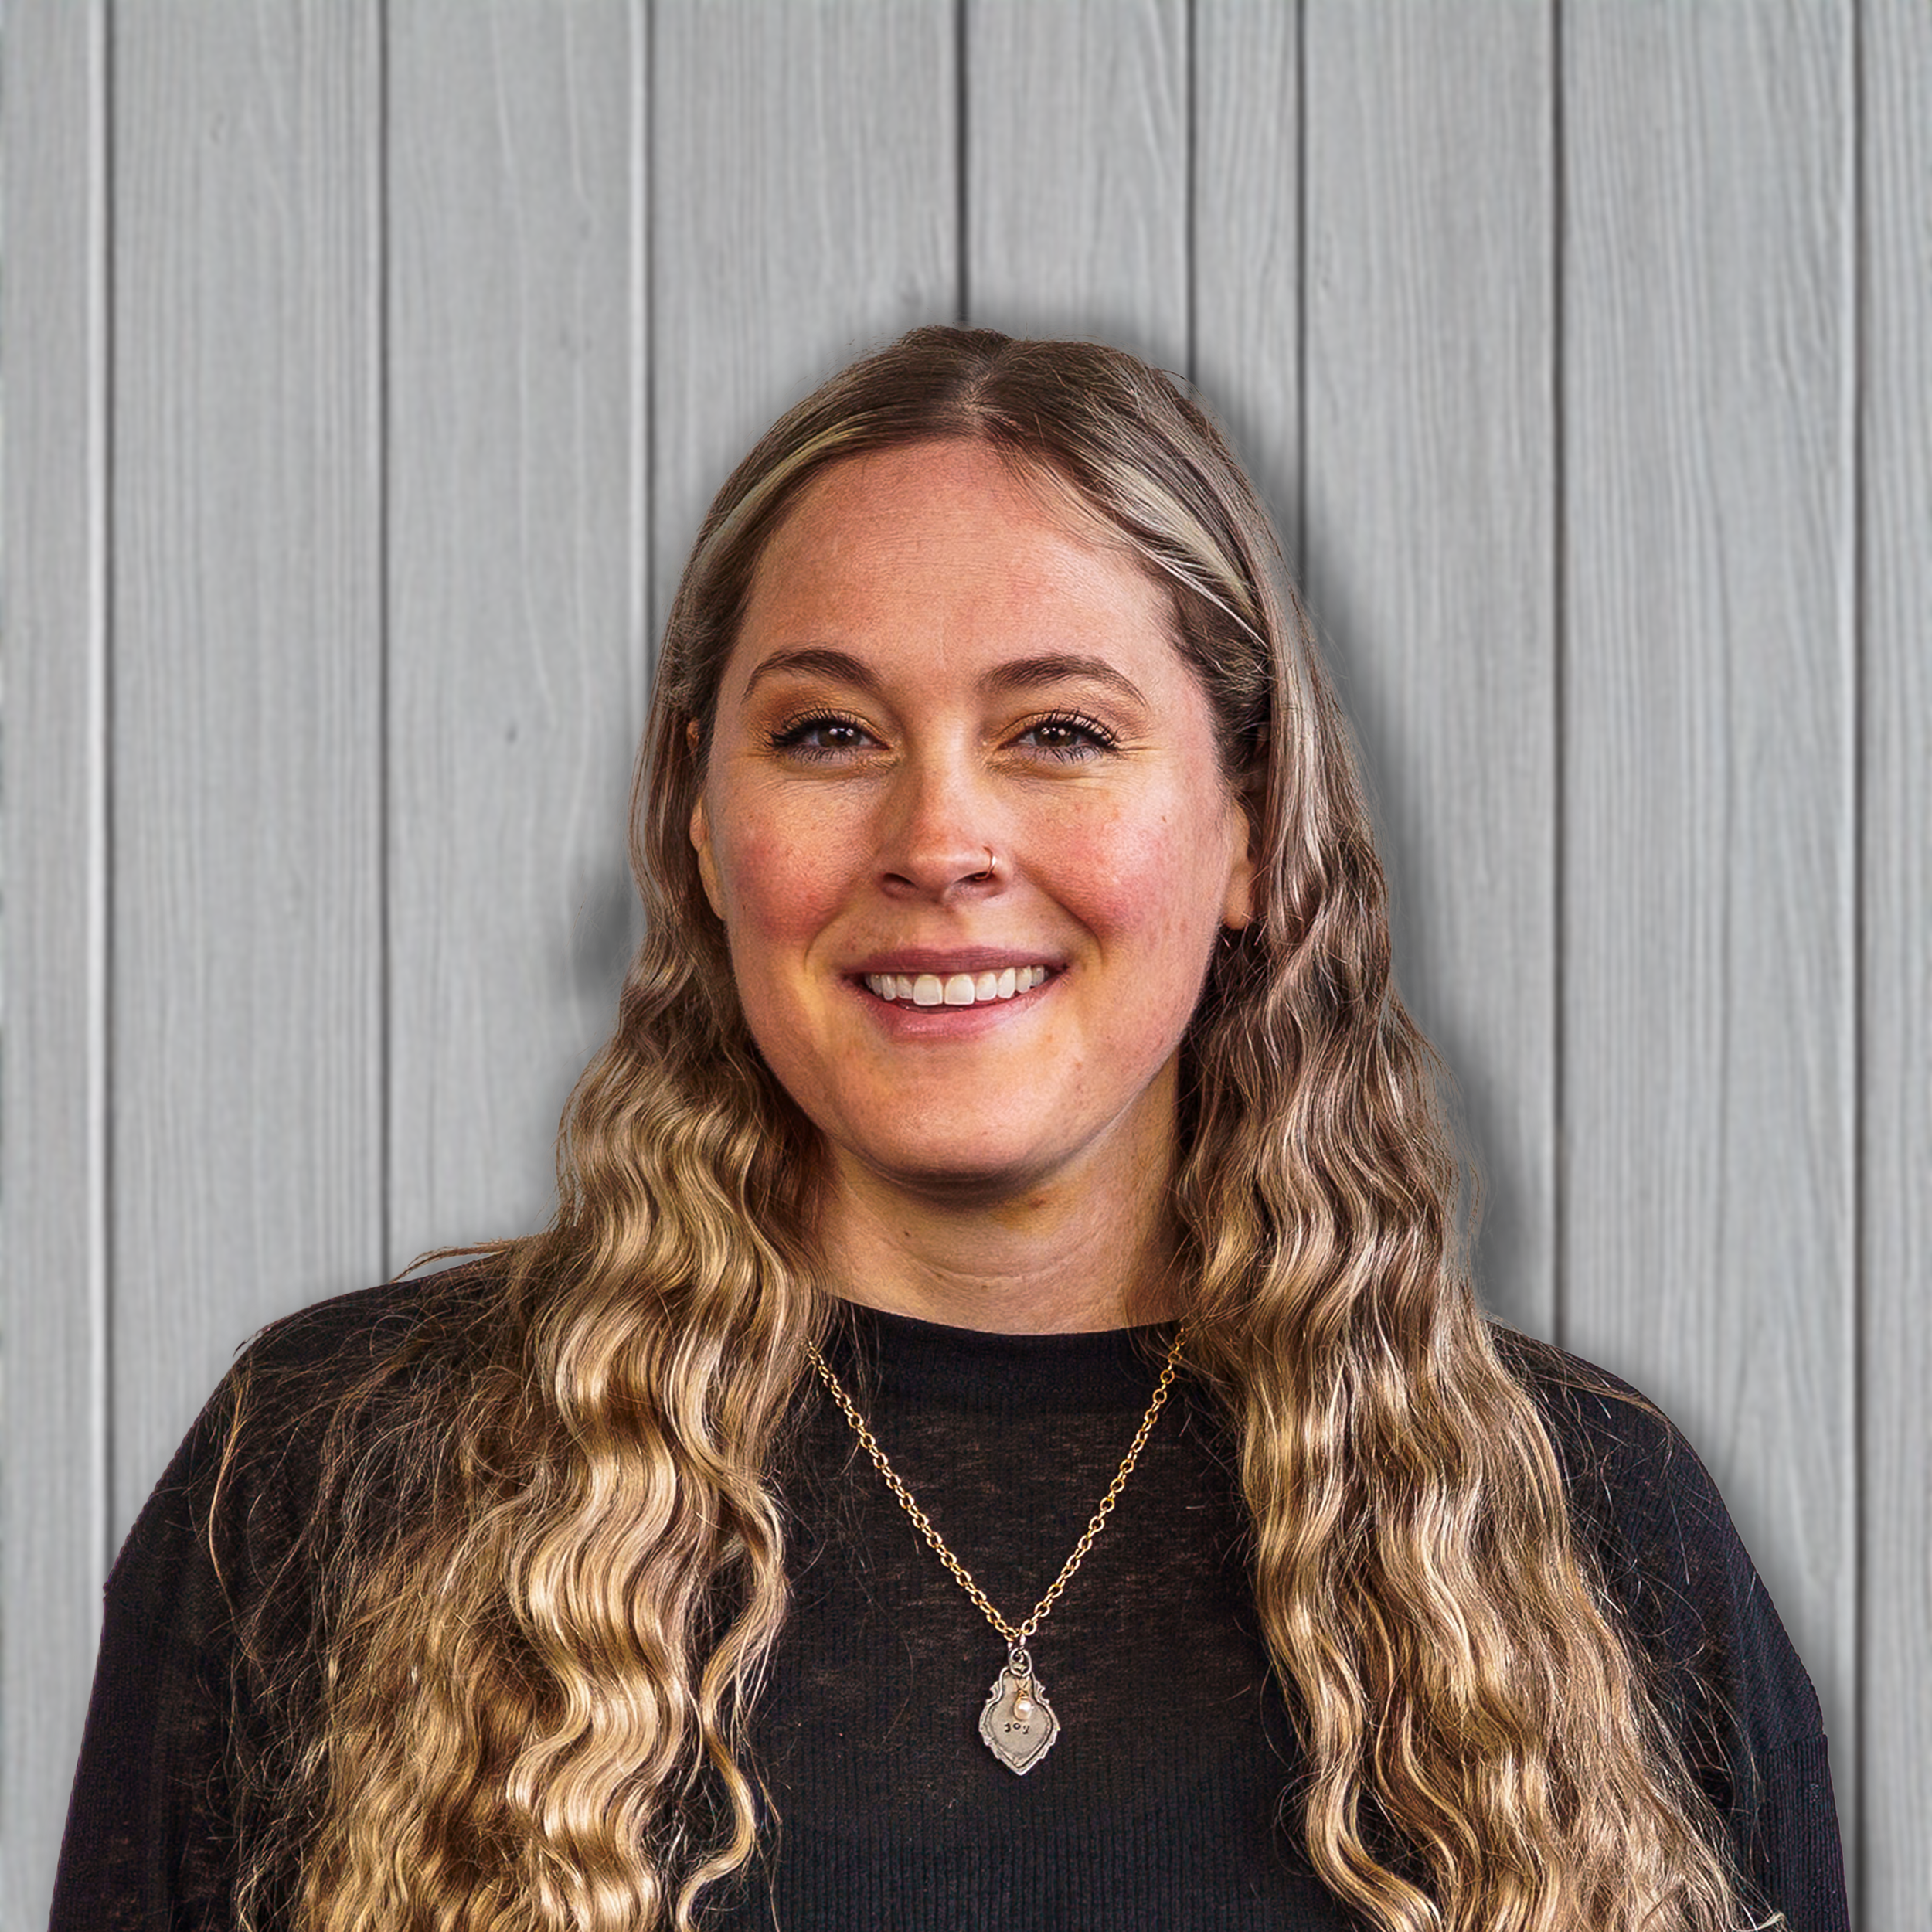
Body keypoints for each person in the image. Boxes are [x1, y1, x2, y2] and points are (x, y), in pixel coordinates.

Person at [53, 328, 1847, 1932]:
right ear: (697, 818)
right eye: (828, 732)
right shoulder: (325, 1474)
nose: (939, 838)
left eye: (1058, 729)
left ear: (1246, 824)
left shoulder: (1594, 1531)